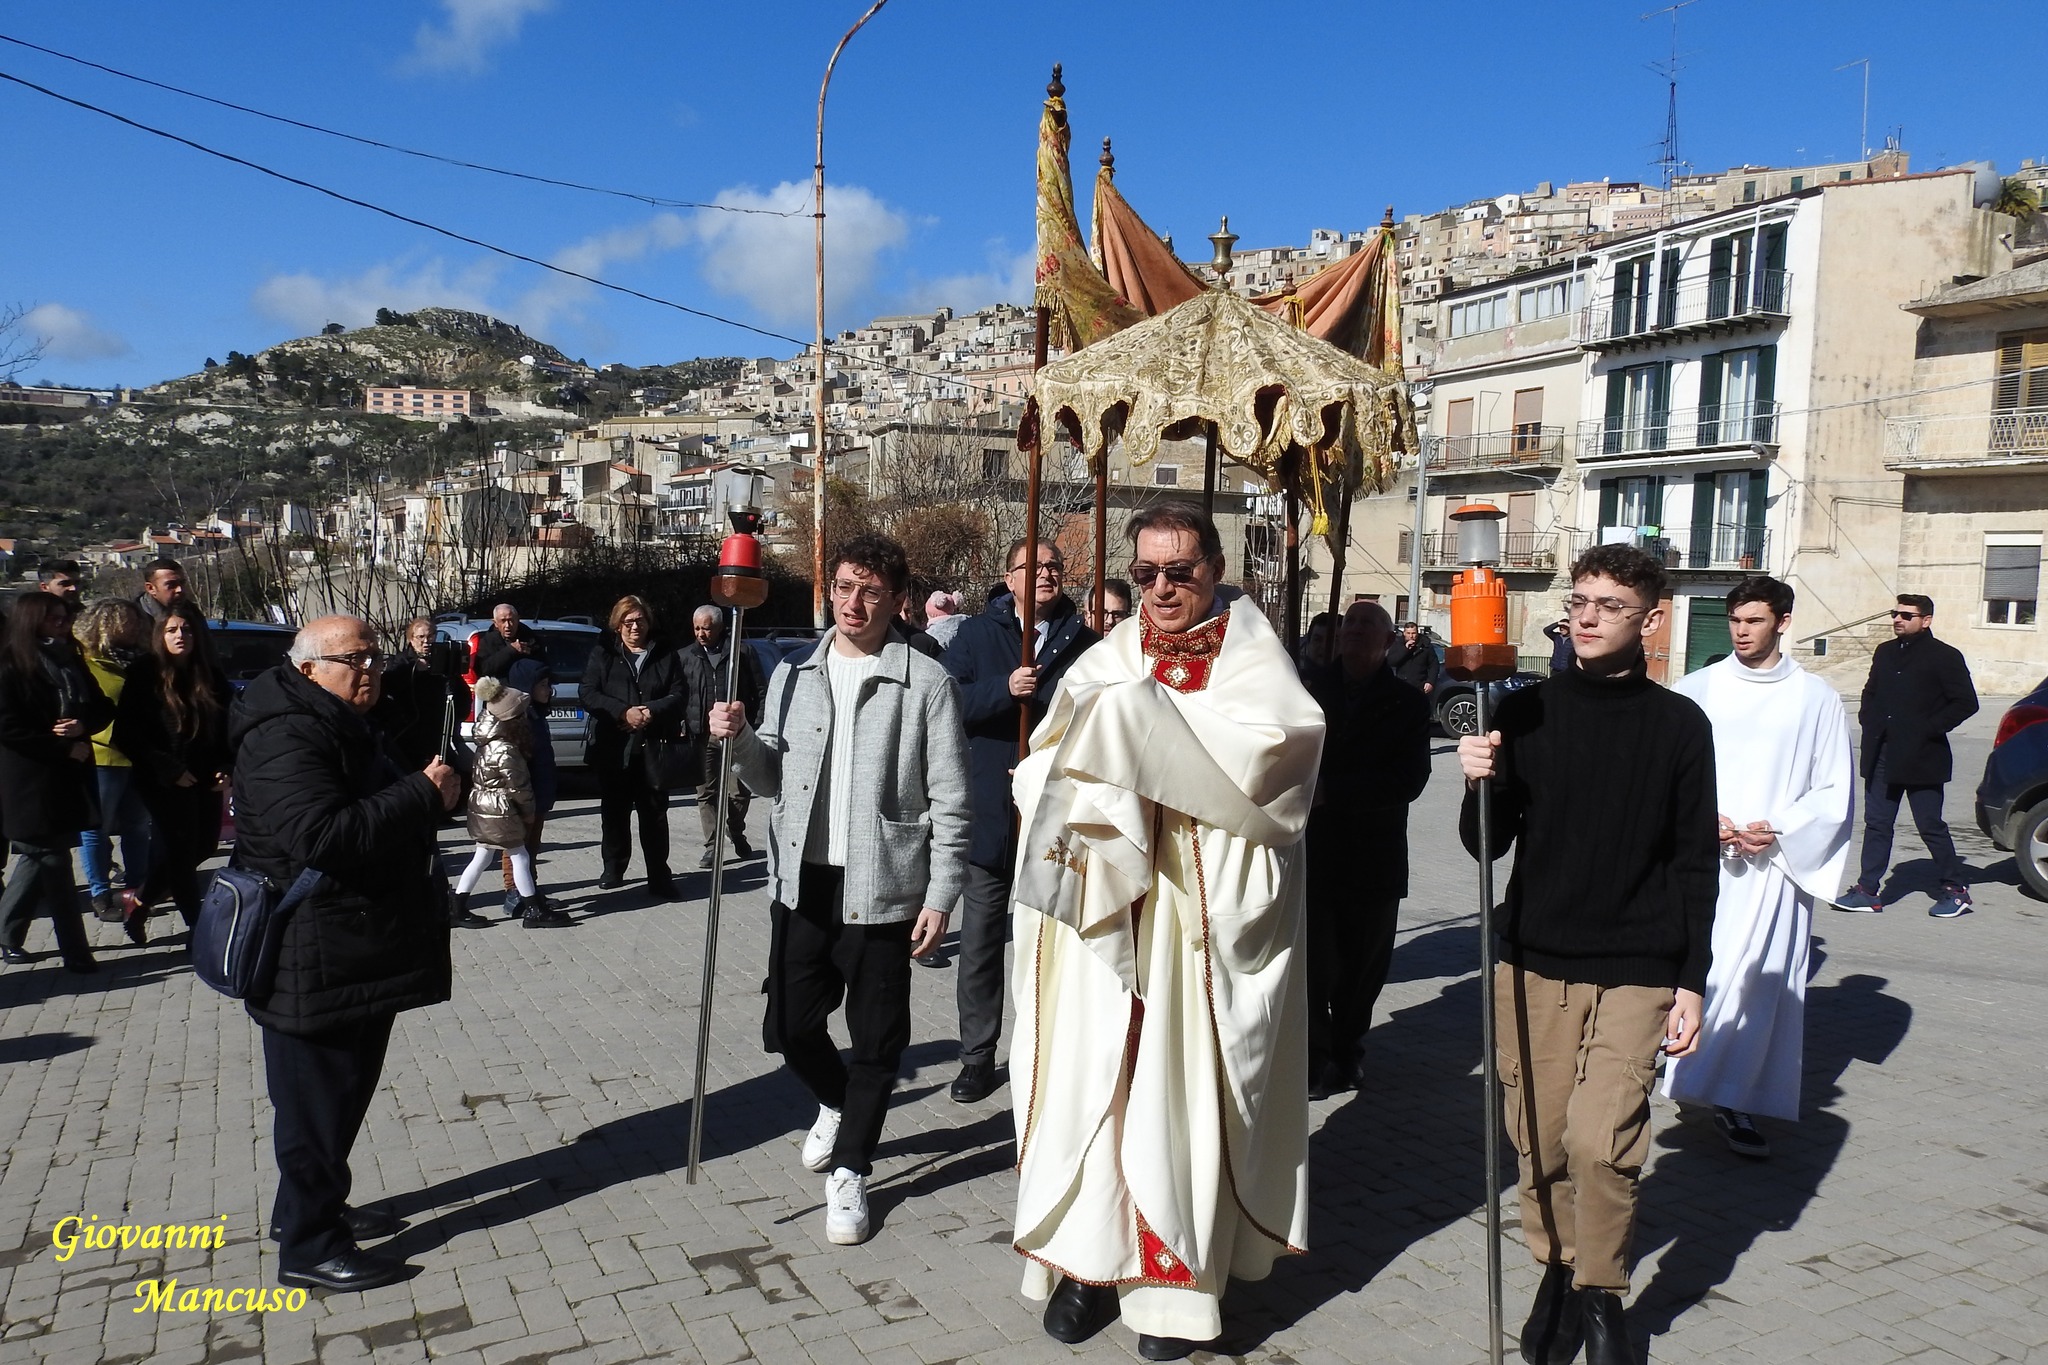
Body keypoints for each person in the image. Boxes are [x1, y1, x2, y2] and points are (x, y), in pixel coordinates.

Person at [1008, 502, 1324, 1361]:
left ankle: (1176, 1287)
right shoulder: (1106, 658)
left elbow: (1277, 779)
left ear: (1214, 567)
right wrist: (1085, 783)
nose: (1160, 589)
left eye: (1178, 571)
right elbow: (1043, 765)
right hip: (1109, 921)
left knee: (1176, 1093)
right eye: (1144, 573)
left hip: (1192, 923)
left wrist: (1157, 748)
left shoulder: (1258, 663)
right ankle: (1089, 1266)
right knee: (1099, 1087)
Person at [1456, 542, 1717, 1365]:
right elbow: (1482, 846)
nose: (1589, 616)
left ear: (1650, 618)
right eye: (1579, 601)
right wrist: (1479, 782)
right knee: (1541, 1140)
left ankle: (1601, 1292)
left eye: (1609, 604)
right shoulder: (1527, 708)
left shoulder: (1680, 723)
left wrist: (1693, 981)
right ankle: (1556, 1269)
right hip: (1534, 955)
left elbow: (1693, 862)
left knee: (1604, 1142)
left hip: (1640, 962)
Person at [711, 533, 970, 1248]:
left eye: (872, 592)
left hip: (884, 881)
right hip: (804, 877)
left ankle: (852, 1169)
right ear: (830, 588)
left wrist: (942, 892)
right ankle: (834, 1098)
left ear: (898, 601)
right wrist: (736, 742)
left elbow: (952, 797)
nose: (855, 603)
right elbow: (766, 779)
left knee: (879, 1040)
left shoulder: (926, 681)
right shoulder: (795, 673)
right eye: (846, 587)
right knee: (789, 1025)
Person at [232, 615, 461, 1292]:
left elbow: (380, 797)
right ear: (306, 668)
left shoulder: (338, 718)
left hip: (350, 944)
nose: (370, 670)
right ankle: (309, 1245)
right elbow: (320, 834)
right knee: (316, 1103)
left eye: (374, 657)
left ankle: (304, 1210)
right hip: (311, 949)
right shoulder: (286, 731)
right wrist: (421, 792)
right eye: (353, 659)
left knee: (336, 1098)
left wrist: (430, 783)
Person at [1662, 576, 1853, 1159]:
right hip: (1704, 862)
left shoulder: (1816, 699)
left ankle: (1734, 1097)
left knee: (1757, 988)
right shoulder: (1696, 689)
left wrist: (1781, 828)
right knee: (1693, 969)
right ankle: (1662, 1068)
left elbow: (1834, 788)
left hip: (1775, 870)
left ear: (1783, 622)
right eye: (1735, 621)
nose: (1742, 632)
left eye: (1754, 621)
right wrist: (1700, 817)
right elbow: (1664, 772)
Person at [940, 537, 1098, 1104]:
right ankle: (977, 1056)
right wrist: (1002, 691)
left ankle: (1050, 1050)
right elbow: (947, 701)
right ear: (1010, 578)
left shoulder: (1084, 642)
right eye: (1033, 567)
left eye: (1055, 565)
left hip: (1055, 819)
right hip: (990, 813)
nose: (1047, 574)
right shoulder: (976, 636)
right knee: (981, 942)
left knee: (1051, 945)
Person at [1302, 600, 1431, 1099]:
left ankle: (1348, 1050)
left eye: (1366, 624)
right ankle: (1313, 1057)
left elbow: (1409, 779)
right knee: (1313, 967)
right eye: (1348, 622)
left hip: (1373, 858)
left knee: (1362, 970)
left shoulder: (1407, 703)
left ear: (1388, 640)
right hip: (1314, 853)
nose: (1353, 631)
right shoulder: (1309, 694)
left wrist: (1335, 791)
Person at [1836, 594, 1979, 918]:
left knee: (1930, 825)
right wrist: (1868, 719)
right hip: (1882, 753)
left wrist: (1927, 728)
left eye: (1906, 615)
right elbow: (1870, 691)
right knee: (1877, 824)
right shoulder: (1885, 652)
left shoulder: (1944, 656)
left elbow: (1966, 702)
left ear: (1925, 620)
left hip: (1923, 757)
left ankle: (1955, 890)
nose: (1898, 619)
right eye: (1895, 613)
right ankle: (1868, 891)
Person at [0, 594, 112, 972]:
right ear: (32, 621)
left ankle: (5, 932)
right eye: (54, 620)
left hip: (69, 776)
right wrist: (59, 747)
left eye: (66, 619)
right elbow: (8, 726)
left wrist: (82, 727)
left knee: (38, 859)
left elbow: (99, 706)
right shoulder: (11, 665)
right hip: (30, 780)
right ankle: (77, 954)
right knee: (53, 863)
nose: (63, 625)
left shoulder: (71, 660)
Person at [113, 601, 232, 940]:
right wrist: (168, 769)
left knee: (204, 847)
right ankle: (198, 928)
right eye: (172, 630)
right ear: (160, 634)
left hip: (204, 776)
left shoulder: (209, 672)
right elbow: (127, 734)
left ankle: (139, 901)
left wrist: (227, 765)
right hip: (162, 779)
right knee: (180, 853)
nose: (181, 635)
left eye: (188, 629)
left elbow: (228, 727)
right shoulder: (144, 673)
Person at [580, 595, 688, 897]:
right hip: (614, 749)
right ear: (617, 625)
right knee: (614, 814)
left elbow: (679, 694)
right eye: (628, 622)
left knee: (654, 815)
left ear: (648, 622)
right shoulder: (603, 653)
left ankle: (659, 876)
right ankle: (614, 868)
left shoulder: (664, 652)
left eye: (639, 620)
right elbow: (588, 693)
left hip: (653, 749)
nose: (634, 627)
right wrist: (622, 711)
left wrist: (649, 711)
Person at [449, 675, 568, 928]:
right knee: (520, 857)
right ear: (512, 718)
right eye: (522, 714)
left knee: (482, 857)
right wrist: (528, 812)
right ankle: (533, 909)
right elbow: (519, 786)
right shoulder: (505, 748)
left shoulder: (486, 742)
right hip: (501, 811)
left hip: (484, 808)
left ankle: (457, 905)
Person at [76, 599, 153, 921]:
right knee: (97, 828)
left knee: (137, 826)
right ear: (106, 624)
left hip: (137, 756)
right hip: (103, 756)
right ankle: (99, 892)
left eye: (136, 620)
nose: (134, 626)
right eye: (127, 620)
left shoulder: (138, 661)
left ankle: (136, 888)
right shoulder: (87, 662)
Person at [681, 605, 765, 869]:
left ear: (719, 627)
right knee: (706, 792)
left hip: (737, 733)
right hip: (702, 734)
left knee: (739, 791)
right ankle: (712, 847)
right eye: (696, 628)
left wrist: (758, 723)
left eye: (706, 628)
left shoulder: (742, 652)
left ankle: (734, 828)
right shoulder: (686, 656)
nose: (701, 634)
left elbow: (761, 690)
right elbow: (679, 694)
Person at [499, 654, 563, 920]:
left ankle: (530, 887)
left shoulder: (538, 716)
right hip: (523, 795)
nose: (548, 690)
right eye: (543, 684)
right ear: (527, 688)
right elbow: (515, 765)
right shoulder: (519, 721)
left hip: (539, 793)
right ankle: (514, 891)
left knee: (532, 845)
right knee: (516, 845)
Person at [473, 603, 536, 680]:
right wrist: (511, 650)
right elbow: (483, 670)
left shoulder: (531, 638)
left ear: (518, 620)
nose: (508, 625)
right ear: (495, 623)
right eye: (503, 621)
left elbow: (542, 666)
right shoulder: (487, 641)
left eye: (511, 620)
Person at [1386, 619, 1442, 695]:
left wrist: (1430, 682)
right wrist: (1405, 649)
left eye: (1413, 633)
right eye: (1408, 633)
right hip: (1401, 685)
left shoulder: (1425, 645)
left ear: (1417, 633)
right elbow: (1392, 662)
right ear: (1404, 633)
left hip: (1420, 686)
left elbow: (1434, 665)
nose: (1411, 636)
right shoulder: (1398, 644)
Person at [135, 558, 188, 624]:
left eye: (182, 583)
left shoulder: (192, 613)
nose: (179, 590)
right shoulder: (134, 619)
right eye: (171, 585)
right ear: (151, 588)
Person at [1297, 610, 1340, 676]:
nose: (1324, 646)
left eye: (1333, 640)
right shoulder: (1294, 679)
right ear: (1308, 643)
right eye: (1317, 640)